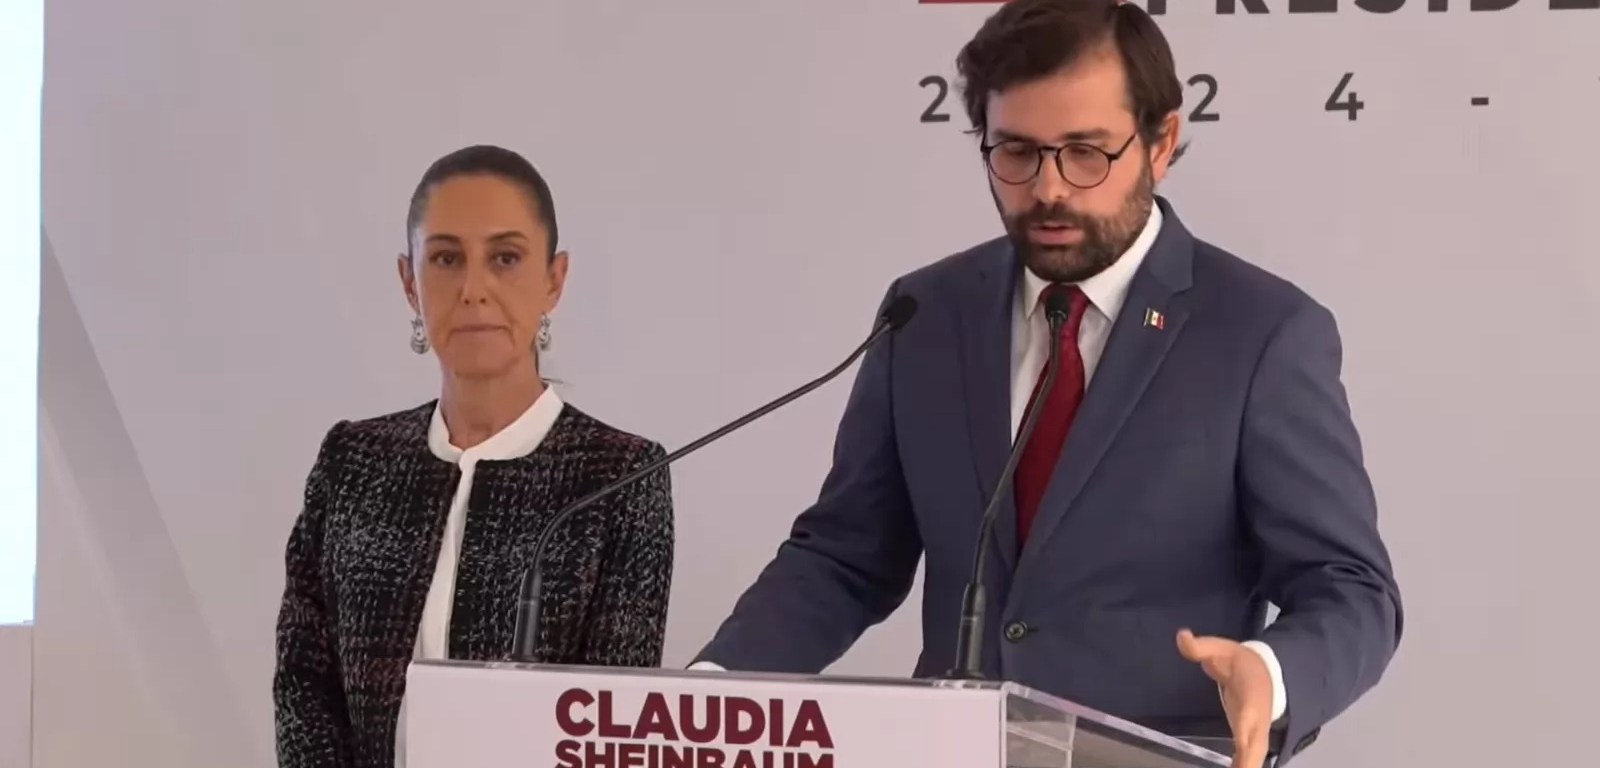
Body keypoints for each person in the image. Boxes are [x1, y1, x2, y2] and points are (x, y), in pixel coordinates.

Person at [690, 2, 1401, 767]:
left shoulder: (1261, 333)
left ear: (1162, 142)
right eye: (1018, 153)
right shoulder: (926, 313)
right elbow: (845, 557)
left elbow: (1350, 589)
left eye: (1086, 153)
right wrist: (710, 696)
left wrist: (1271, 672)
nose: (1049, 188)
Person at [272, 144, 675, 768]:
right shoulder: (351, 462)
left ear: (554, 280)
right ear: (410, 282)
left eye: (505, 258)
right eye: (446, 258)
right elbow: (303, 687)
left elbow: (605, 723)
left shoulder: (621, 478)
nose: (473, 290)